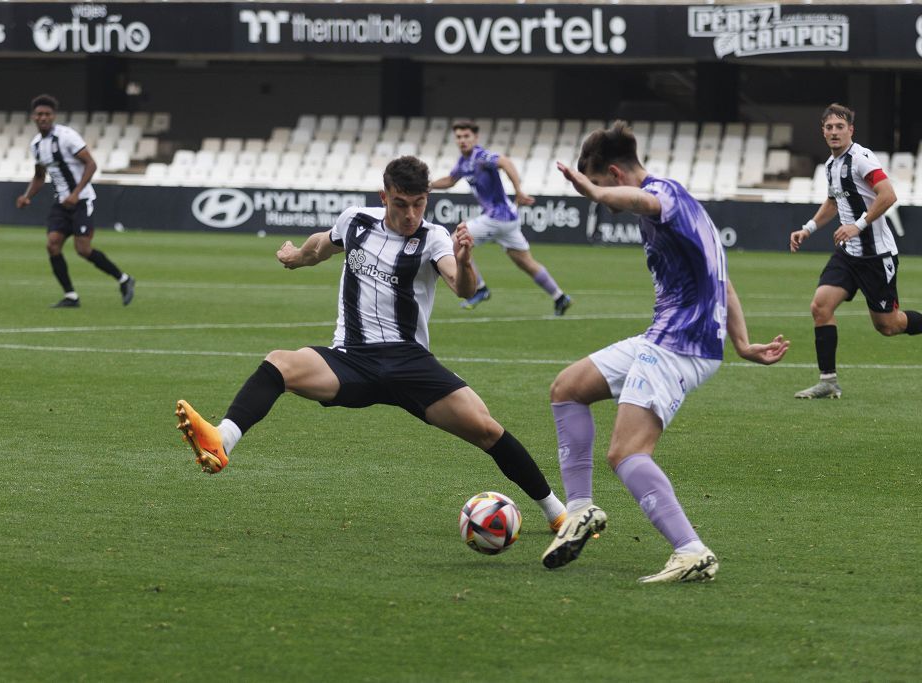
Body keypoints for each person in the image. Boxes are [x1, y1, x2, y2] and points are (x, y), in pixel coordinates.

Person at [175, 156, 567, 531]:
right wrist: (296, 256)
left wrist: (465, 262)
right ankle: (222, 439)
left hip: (410, 363)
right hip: (351, 359)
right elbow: (320, 245)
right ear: (384, 198)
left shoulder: (434, 239)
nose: (411, 214)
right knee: (280, 363)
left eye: (419, 204)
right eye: (401, 204)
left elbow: (462, 287)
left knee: (486, 430)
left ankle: (556, 512)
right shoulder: (356, 222)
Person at [542, 121, 789, 583]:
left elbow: (643, 201)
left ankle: (691, 550)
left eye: (600, 185)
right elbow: (724, 282)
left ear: (614, 175)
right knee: (567, 388)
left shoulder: (664, 195)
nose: (602, 199)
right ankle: (579, 510)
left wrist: (595, 195)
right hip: (670, 335)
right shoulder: (688, 209)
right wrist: (741, 342)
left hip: (680, 343)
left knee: (627, 452)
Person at [790, 103, 922, 399]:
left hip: (876, 255)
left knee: (888, 326)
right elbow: (833, 203)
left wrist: (858, 225)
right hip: (848, 254)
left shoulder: (862, 158)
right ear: (823, 131)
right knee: (820, 306)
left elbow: (888, 195)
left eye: (840, 127)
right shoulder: (831, 165)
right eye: (829, 127)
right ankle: (828, 381)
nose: (834, 132)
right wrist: (808, 228)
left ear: (851, 129)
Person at [429, 119, 572, 315]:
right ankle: (560, 297)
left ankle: (480, 289)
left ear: (475, 138)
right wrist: (428, 185)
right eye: (459, 137)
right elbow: (450, 180)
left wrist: (519, 190)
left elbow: (505, 162)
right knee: (525, 262)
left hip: (497, 217)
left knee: (455, 242)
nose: (462, 140)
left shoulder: (480, 156)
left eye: (466, 136)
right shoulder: (463, 162)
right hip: (508, 219)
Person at [15, 94, 135, 308]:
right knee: (52, 245)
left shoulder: (67, 136)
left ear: (53, 116)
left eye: (47, 114)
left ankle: (124, 279)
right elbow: (40, 176)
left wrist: (76, 193)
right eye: (39, 114)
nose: (43, 117)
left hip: (81, 200)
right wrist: (27, 196)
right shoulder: (36, 145)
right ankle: (71, 296)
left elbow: (91, 164)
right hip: (61, 202)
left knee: (83, 250)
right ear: (33, 117)